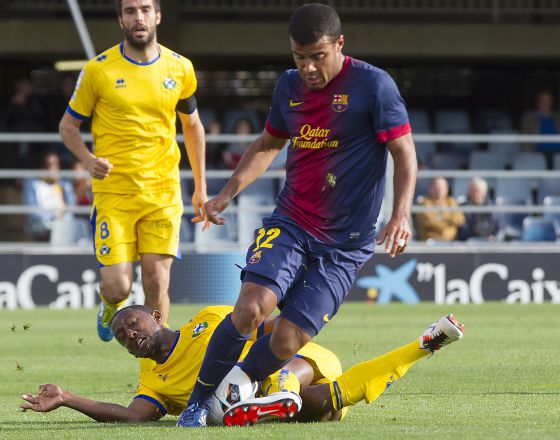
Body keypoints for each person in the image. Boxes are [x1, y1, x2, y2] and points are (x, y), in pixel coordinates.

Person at [184, 3, 417, 426]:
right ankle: (198, 402)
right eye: (299, 57)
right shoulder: (288, 86)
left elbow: (404, 153)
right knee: (251, 308)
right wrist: (226, 194)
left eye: (317, 56)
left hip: (346, 244)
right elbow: (269, 144)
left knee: (289, 338)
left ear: (339, 44)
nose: (308, 67)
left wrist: (401, 215)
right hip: (293, 222)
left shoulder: (374, 86)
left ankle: (235, 385)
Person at [20, 304, 464, 425]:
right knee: (327, 405)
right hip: (293, 397)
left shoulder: (208, 320)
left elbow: (274, 329)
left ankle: (263, 397)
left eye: (131, 324)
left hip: (297, 360)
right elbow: (133, 416)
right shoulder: (152, 379)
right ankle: (424, 344)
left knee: (274, 376)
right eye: (120, 337)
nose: (129, 335)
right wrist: (69, 398)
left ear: (155, 317)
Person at [58, 0, 208, 342]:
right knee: (118, 285)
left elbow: (193, 126)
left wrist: (200, 186)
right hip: (115, 194)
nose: (138, 17)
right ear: (120, 19)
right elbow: (68, 126)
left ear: (157, 15)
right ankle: (109, 307)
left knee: (156, 282)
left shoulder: (180, 67)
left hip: (163, 192)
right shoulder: (99, 70)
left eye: (144, 9)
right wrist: (87, 159)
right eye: (129, 11)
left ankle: (158, 365)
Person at [22, 151, 76, 241]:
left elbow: (71, 206)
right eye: (48, 165)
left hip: (62, 221)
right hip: (41, 223)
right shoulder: (33, 183)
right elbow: (31, 209)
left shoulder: (64, 184)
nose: (51, 168)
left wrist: (61, 218)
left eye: (55, 164)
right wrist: (51, 219)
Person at [415, 177, 465, 242]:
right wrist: (449, 221)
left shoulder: (451, 201)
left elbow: (460, 219)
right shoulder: (424, 202)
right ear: (431, 188)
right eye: (436, 187)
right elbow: (428, 220)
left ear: (447, 189)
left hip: (451, 243)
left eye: (442, 187)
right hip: (429, 243)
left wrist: (441, 218)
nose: (439, 190)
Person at [521, 90, 560, 165]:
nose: (545, 103)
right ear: (538, 102)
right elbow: (524, 138)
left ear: (552, 102)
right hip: (538, 153)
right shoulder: (529, 118)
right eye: (542, 100)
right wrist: (529, 153)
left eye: (548, 100)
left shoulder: (558, 117)